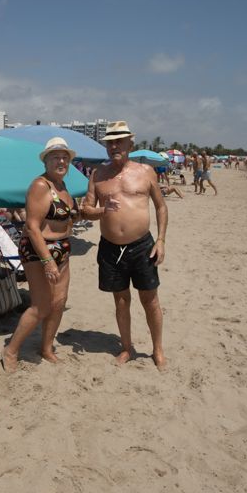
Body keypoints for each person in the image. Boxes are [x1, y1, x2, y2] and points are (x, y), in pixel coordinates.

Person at [80, 121, 168, 371]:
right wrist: (101, 210)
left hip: (142, 246)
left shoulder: (145, 172)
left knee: (150, 300)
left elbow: (161, 206)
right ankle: (127, 348)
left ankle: (157, 350)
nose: (115, 145)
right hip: (110, 247)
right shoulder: (98, 174)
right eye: (110, 142)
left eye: (120, 141)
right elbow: (86, 210)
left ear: (131, 143)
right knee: (120, 301)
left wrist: (161, 240)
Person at [2, 137, 78, 372]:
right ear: (45, 161)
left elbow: (68, 216)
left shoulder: (63, 187)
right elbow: (33, 226)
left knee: (59, 303)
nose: (61, 160)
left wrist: (98, 211)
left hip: (62, 248)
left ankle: (46, 348)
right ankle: (11, 350)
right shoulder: (40, 186)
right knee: (42, 306)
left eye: (65, 156)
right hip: (38, 249)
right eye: (55, 157)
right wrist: (47, 261)